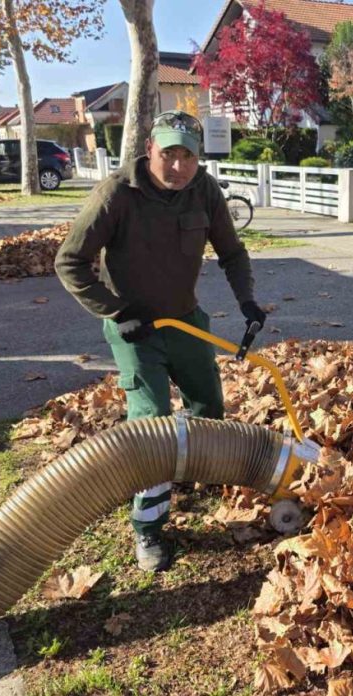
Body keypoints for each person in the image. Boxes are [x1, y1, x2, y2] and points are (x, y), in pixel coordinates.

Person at [55, 111, 268, 570]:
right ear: (150, 148)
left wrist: (247, 301)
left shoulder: (204, 190)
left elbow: (232, 252)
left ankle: (190, 476)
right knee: (151, 423)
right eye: (169, 153)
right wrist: (117, 310)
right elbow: (70, 262)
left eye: (188, 156)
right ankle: (148, 531)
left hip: (185, 321)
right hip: (135, 328)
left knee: (209, 407)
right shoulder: (117, 194)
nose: (178, 166)